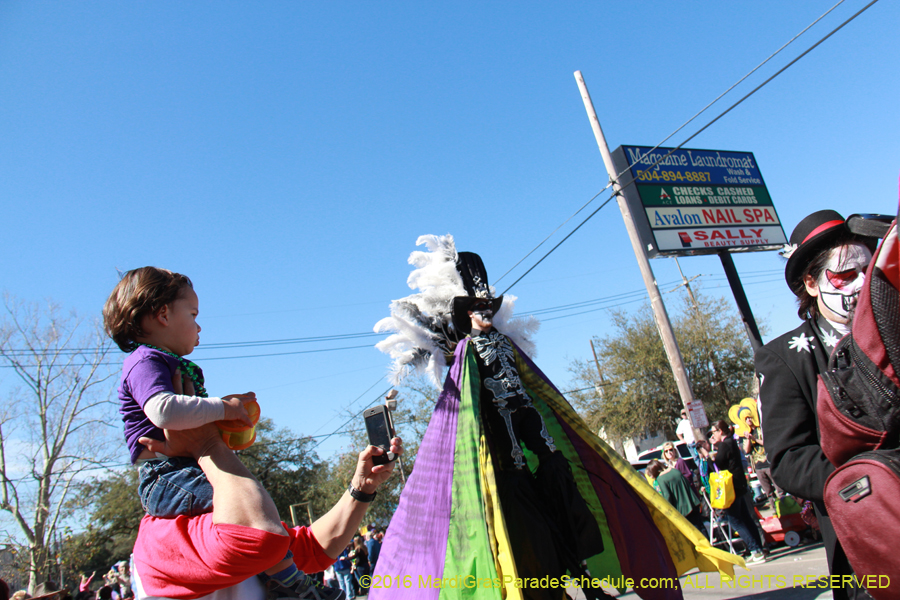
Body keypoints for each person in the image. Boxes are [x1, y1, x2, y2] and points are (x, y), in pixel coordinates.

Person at [371, 236, 743, 600]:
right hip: (500, 422)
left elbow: (532, 381)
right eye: (478, 309)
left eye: (488, 308)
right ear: (467, 314)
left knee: (552, 465)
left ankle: (578, 558)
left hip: (524, 411)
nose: (485, 313)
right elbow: (463, 394)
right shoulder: (468, 350)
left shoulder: (505, 342)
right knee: (518, 475)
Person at [103, 267, 334, 600]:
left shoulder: (166, 361)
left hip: (183, 466)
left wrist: (225, 425)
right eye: (193, 314)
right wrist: (223, 409)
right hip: (166, 475)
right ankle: (294, 585)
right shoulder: (145, 360)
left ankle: (283, 579)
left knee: (250, 506)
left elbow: (187, 420)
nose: (199, 326)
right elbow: (163, 410)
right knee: (250, 511)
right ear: (164, 314)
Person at [755, 210, 883, 599]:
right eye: (845, 274)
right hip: (869, 544)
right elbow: (789, 459)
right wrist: (878, 475)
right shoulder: (784, 358)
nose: (861, 283)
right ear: (811, 283)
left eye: (867, 270)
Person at [129, 421, 402, 599]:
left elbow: (313, 550)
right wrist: (206, 445)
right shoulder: (156, 537)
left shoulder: (232, 518)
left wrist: (361, 489)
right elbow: (258, 539)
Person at [709, 420, 766, 564]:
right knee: (746, 518)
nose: (713, 435)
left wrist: (707, 456)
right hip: (739, 485)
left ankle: (755, 550)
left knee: (735, 520)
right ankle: (759, 548)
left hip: (731, 487)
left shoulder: (725, 444)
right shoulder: (732, 442)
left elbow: (718, 464)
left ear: (720, 431)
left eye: (714, 432)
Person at [645, 459, 705, 535]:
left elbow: (667, 496)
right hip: (693, 502)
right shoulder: (674, 470)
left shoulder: (661, 479)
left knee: (694, 532)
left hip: (682, 510)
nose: (651, 477)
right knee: (701, 527)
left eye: (650, 475)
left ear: (654, 471)